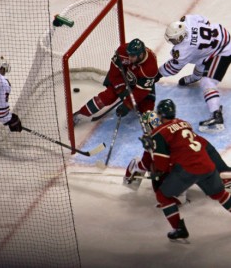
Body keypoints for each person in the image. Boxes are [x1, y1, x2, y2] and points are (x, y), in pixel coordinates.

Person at [138, 99, 231, 241]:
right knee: (220, 194)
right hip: (207, 165)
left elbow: (161, 167)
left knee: (163, 196)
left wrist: (150, 148)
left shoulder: (159, 133)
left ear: (160, 115)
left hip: (187, 170)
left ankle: (179, 229)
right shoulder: (184, 123)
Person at [155, 15, 231, 134]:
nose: (173, 42)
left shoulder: (184, 49)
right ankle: (195, 77)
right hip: (219, 39)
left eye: (174, 39)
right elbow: (205, 20)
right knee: (200, 61)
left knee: (207, 81)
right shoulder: (188, 21)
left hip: (223, 50)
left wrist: (158, 74)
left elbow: (173, 67)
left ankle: (217, 115)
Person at [73, 38, 158, 125]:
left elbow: (141, 91)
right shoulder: (122, 50)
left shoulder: (151, 67)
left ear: (141, 55)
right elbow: (114, 73)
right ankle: (81, 114)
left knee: (147, 109)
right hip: (122, 78)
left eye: (132, 56)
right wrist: (121, 90)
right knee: (108, 96)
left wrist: (128, 104)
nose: (129, 58)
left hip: (140, 84)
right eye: (128, 55)